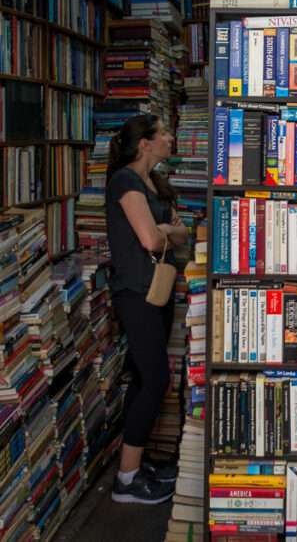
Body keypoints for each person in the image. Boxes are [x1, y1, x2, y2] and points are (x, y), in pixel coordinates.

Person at [105, 114, 189, 504]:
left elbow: (180, 232)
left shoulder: (153, 183)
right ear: (145, 144)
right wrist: (165, 232)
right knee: (154, 379)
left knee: (145, 377)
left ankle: (136, 463)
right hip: (136, 293)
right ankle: (126, 480)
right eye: (163, 133)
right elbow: (153, 240)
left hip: (156, 290)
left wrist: (166, 231)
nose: (170, 138)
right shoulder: (124, 181)